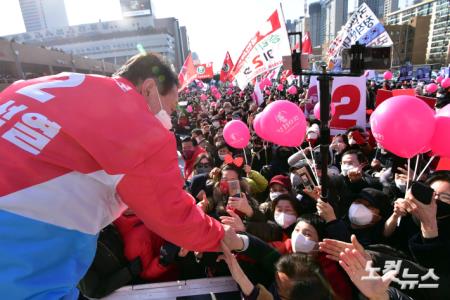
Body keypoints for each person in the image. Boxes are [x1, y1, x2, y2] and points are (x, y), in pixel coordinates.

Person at [0, 52, 232, 298]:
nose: (170, 121)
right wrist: (223, 236)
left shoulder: (39, 86)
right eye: (171, 109)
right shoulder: (136, 121)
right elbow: (173, 214)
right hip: (24, 262)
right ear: (149, 89)